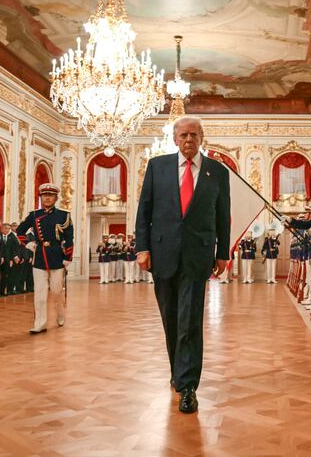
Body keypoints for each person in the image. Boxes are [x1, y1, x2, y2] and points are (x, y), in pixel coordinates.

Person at [135, 115, 231, 414]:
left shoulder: (217, 171)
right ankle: (178, 371)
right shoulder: (157, 166)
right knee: (171, 319)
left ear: (201, 138)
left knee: (190, 319)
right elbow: (144, 209)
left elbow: (222, 216)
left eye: (194, 135)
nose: (188, 140)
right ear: (175, 139)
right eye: (183, 135)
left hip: (197, 255)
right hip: (162, 254)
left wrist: (223, 253)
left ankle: (188, 385)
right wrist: (142, 247)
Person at [16, 183, 74, 334]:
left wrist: (67, 257)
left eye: (50, 195)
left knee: (56, 291)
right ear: (40, 197)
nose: (47, 198)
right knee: (40, 294)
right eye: (44, 195)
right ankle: (40, 323)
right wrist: (28, 244)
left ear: (56, 198)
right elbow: (20, 230)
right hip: (40, 256)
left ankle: (60, 314)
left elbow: (69, 238)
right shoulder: (34, 215)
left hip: (56, 256)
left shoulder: (63, 215)